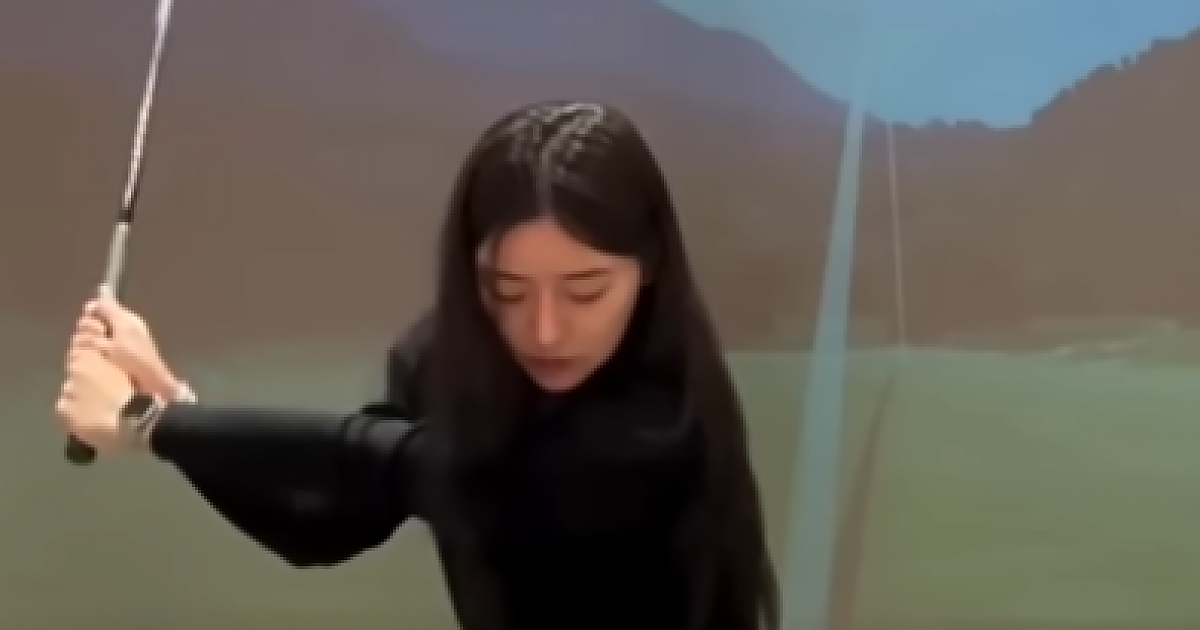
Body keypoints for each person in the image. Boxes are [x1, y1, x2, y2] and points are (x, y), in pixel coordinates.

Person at [55, 100, 779, 630]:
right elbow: (321, 525)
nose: (545, 329)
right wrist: (166, 398)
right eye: (507, 290)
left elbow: (401, 463)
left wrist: (153, 424)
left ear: (648, 268)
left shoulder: (658, 427)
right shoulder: (444, 356)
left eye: (585, 291)